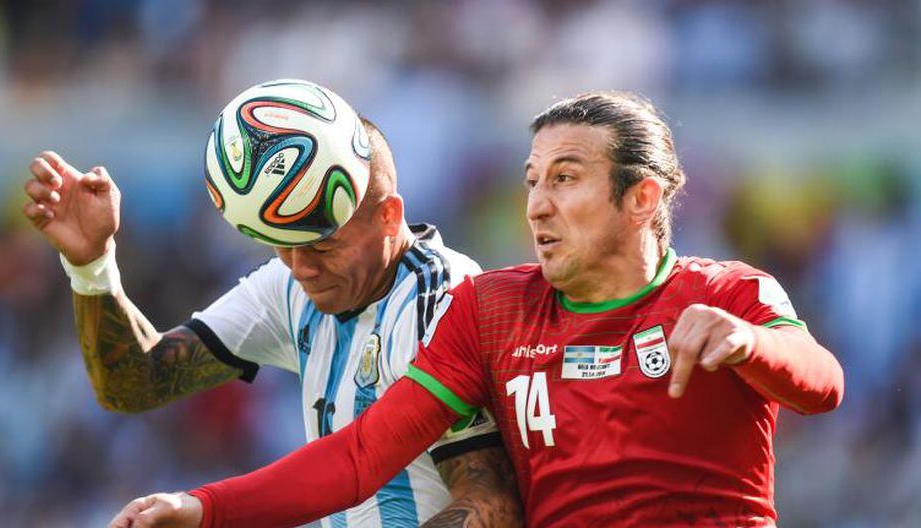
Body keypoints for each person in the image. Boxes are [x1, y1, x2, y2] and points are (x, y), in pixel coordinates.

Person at [112, 92, 844, 527]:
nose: (538, 205)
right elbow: (362, 454)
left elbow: (822, 385)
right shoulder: (492, 310)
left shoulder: (726, 295)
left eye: (566, 178)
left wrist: (749, 343)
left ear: (640, 197)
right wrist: (205, 509)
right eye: (531, 181)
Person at [21, 119, 522, 528]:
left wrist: (206, 509)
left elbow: (491, 502)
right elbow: (136, 383)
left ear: (389, 217)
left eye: (323, 246)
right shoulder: (290, 286)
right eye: (283, 246)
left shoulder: (441, 299)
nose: (301, 268)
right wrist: (92, 266)